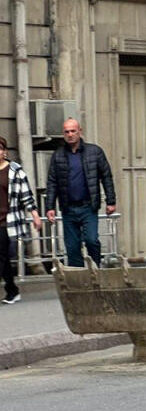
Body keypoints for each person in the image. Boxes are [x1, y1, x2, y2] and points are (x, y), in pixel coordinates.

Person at [45, 118, 117, 267]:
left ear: (80, 132)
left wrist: (111, 201)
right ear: (63, 134)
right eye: (67, 132)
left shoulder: (94, 152)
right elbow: (52, 182)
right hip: (68, 208)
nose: (70, 134)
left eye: (73, 131)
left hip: (88, 206)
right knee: (72, 247)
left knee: (91, 240)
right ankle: (79, 280)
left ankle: (95, 270)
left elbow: (106, 176)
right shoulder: (58, 155)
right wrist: (49, 207)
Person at [0, 137, 42, 304]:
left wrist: (35, 214)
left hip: (6, 220)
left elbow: (26, 195)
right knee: (2, 258)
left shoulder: (15, 171)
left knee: (1, 256)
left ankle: (12, 291)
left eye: (0, 148)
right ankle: (12, 290)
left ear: (5, 151)